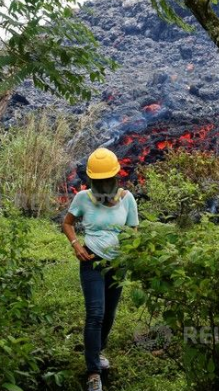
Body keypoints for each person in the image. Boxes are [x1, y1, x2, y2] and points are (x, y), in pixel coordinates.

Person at [62, 148, 139, 391]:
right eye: (99, 180)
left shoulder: (127, 199)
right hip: (92, 261)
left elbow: (133, 231)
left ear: (116, 178)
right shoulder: (83, 198)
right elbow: (67, 223)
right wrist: (76, 245)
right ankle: (93, 371)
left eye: (108, 180)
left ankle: (98, 350)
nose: (104, 184)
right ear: (92, 180)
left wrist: (129, 251)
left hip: (118, 265)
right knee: (95, 313)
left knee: (109, 314)